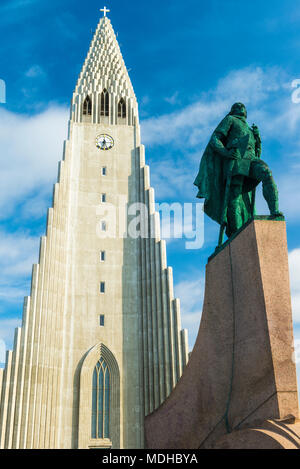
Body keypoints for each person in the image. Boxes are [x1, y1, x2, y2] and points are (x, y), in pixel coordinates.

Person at [194, 102, 282, 238]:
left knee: (267, 173)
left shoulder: (249, 128)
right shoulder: (230, 119)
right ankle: (236, 232)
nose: (241, 107)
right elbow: (215, 139)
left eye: (243, 106)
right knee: (234, 196)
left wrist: (258, 139)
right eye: (237, 106)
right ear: (233, 110)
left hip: (251, 159)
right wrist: (225, 152)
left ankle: (274, 211)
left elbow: (258, 153)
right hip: (236, 160)